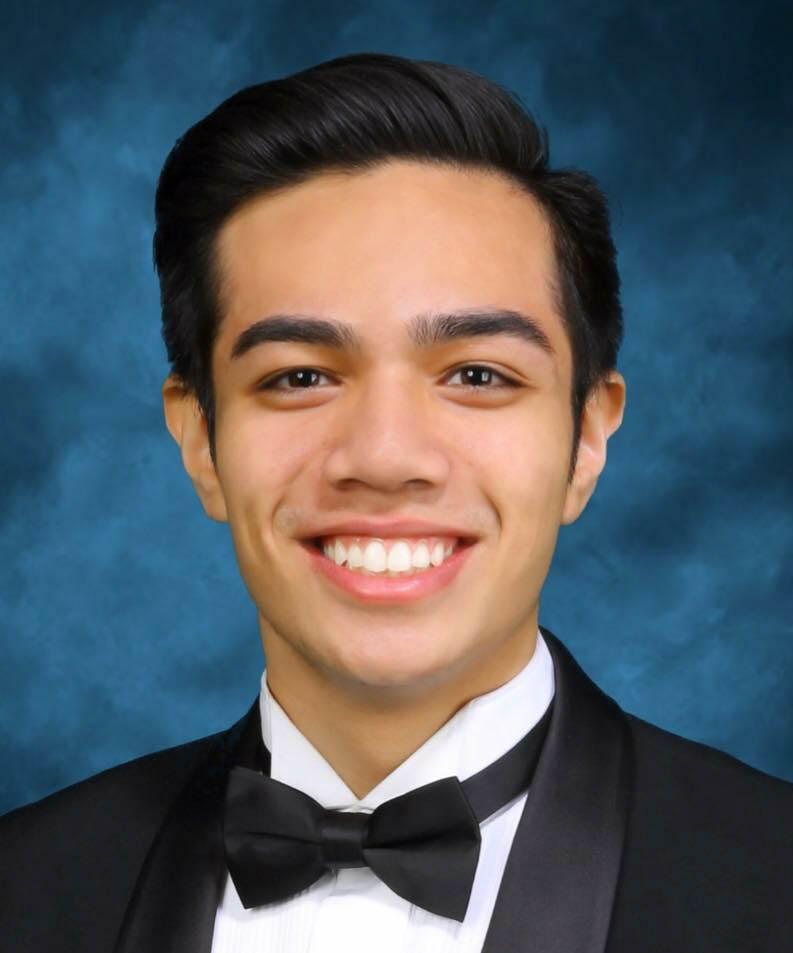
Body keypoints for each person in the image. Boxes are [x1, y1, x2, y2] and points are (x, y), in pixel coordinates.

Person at [1, 52, 790, 953]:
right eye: (299, 376)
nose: (383, 457)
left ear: (585, 439)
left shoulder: (774, 878)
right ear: (199, 442)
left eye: (476, 374)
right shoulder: (25, 887)